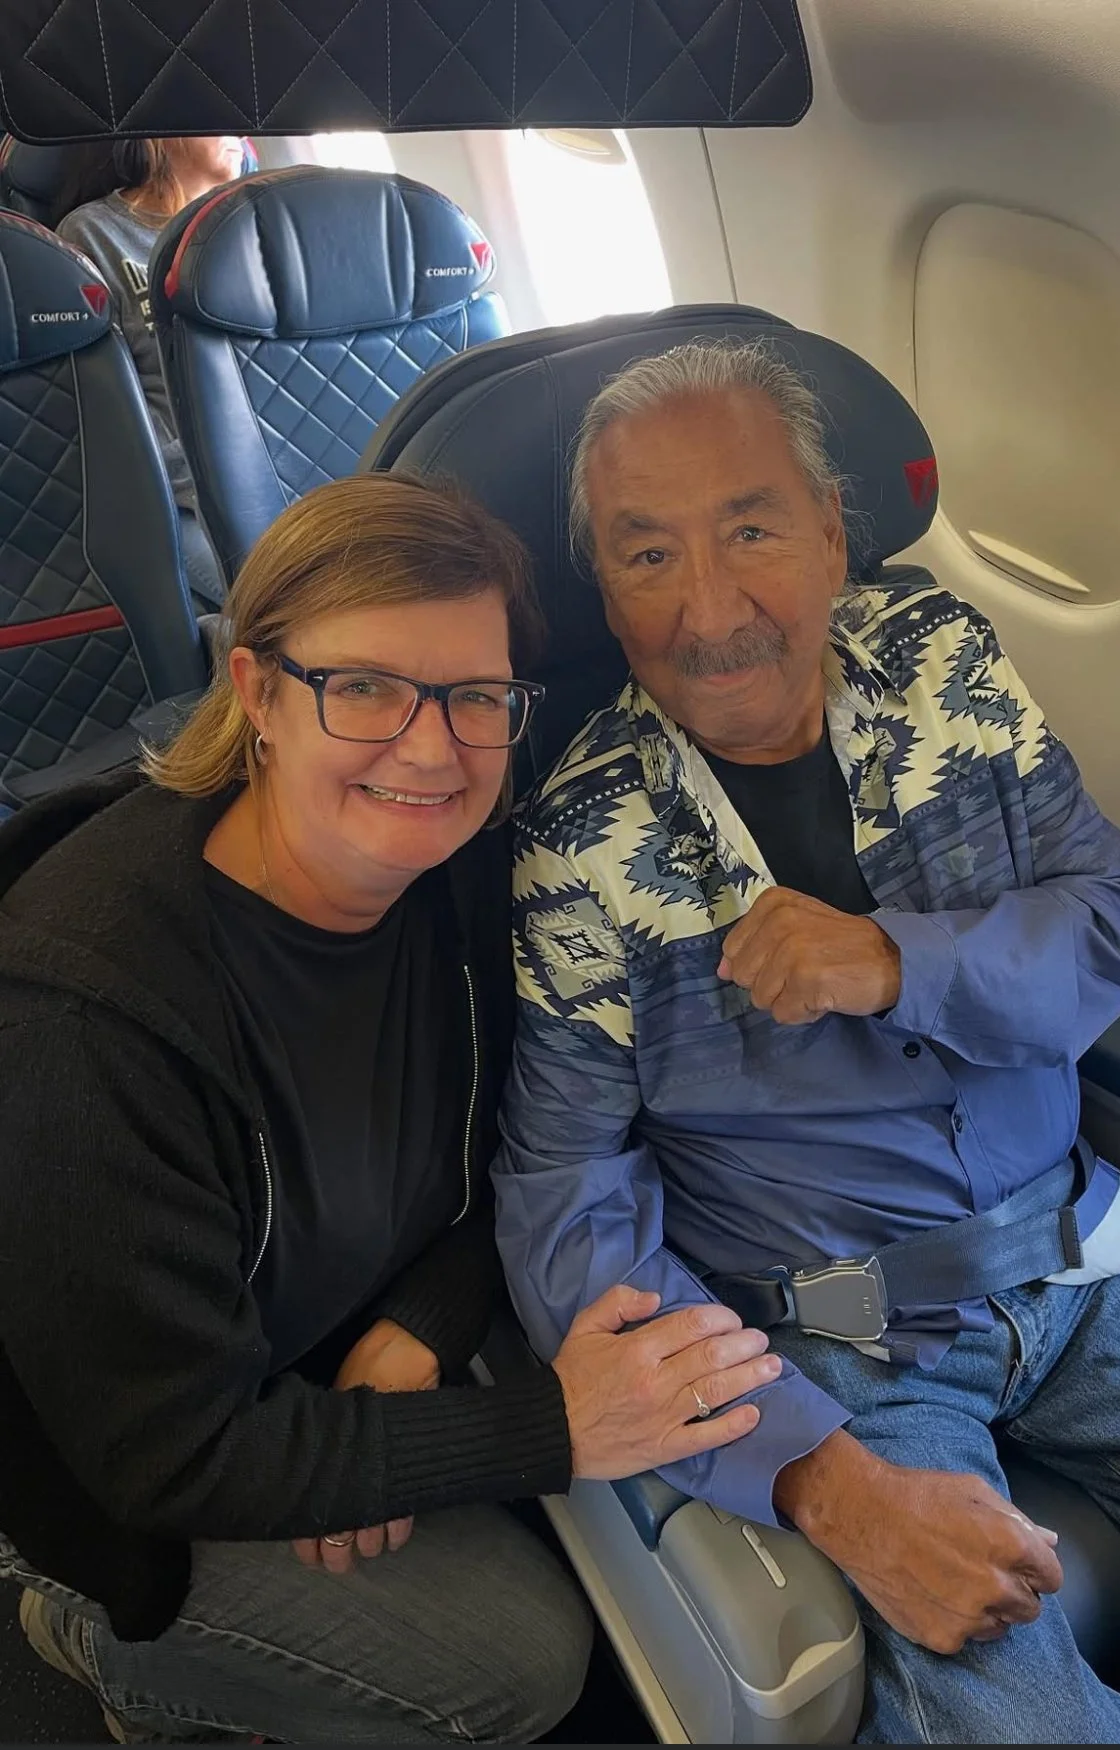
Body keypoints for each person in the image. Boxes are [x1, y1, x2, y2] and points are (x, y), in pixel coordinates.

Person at [492, 340, 1120, 1744]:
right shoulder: (581, 845)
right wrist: (824, 1481)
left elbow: (1114, 910)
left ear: (832, 530)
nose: (710, 610)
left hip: (1085, 1255)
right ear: (605, 595)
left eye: (752, 530)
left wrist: (898, 961)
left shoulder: (944, 664)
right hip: (835, 1346)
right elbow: (564, 1201)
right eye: (648, 557)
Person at [0, 473, 773, 1744]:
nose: (430, 749)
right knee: (520, 1658)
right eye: (363, 687)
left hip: (323, 1333)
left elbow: (504, 1142)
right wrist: (553, 1427)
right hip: (131, 1459)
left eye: (476, 696)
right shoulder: (85, 1022)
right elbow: (168, 1454)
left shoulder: (467, 870)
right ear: (258, 696)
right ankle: (94, 1639)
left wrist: (424, 1321)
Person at [54, 138, 247, 609]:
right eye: (212, 117)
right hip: (180, 498)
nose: (237, 134)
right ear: (161, 134)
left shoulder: (248, 221)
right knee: (294, 602)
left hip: (272, 471)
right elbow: (107, 405)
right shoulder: (93, 232)